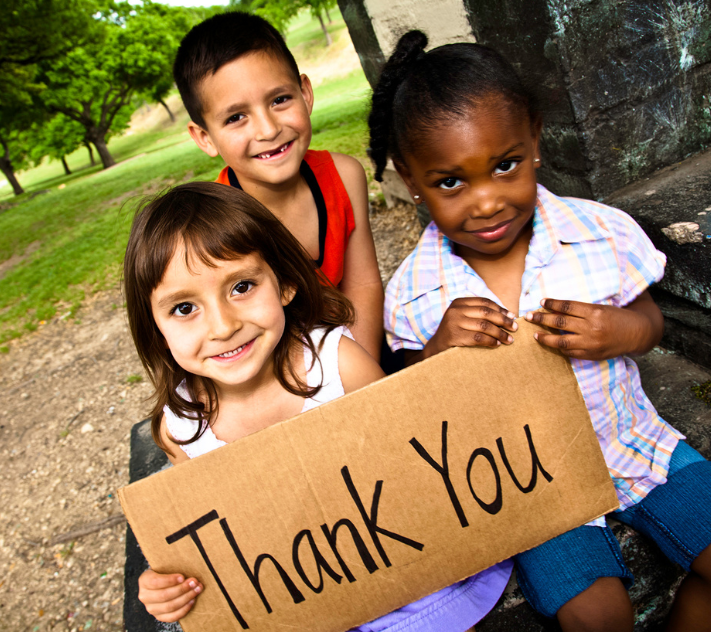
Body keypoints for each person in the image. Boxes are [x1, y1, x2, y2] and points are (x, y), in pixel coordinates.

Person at [370, 30, 711, 632]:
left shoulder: (599, 233)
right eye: (450, 181)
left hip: (639, 446)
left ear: (533, 142)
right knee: (595, 616)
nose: (486, 202)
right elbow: (416, 407)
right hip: (535, 490)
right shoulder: (416, 293)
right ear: (410, 178)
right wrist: (438, 353)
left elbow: (651, 323)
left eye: (505, 166)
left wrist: (620, 330)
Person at [123, 182, 512, 629]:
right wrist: (167, 583)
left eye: (242, 286)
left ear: (285, 283)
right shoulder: (181, 429)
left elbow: (418, 465)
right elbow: (213, 542)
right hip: (305, 605)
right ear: (155, 327)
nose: (223, 325)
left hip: (416, 587)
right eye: (185, 308)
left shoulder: (337, 365)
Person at [173, 11, 384, 362]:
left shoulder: (344, 175)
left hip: (353, 354)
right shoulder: (215, 224)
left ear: (305, 93)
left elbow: (362, 287)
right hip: (271, 371)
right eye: (236, 117)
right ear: (205, 138)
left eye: (279, 100)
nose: (268, 129)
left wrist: (361, 381)